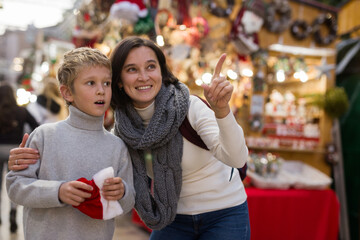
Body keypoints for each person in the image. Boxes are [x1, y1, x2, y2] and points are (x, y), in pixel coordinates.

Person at [8, 36, 250, 240]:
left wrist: (221, 112)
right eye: (132, 69)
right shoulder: (121, 135)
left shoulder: (188, 107)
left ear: (161, 71)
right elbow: (21, 183)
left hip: (224, 212)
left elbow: (237, 157)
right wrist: (29, 168)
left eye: (151, 67)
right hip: (172, 216)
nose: (143, 76)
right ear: (121, 83)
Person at [6, 47, 135, 240]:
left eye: (106, 83)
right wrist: (57, 192)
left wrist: (122, 192)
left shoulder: (117, 146)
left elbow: (128, 202)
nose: (101, 90)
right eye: (90, 83)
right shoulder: (44, 136)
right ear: (67, 93)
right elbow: (16, 187)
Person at [0, 84, 39, 233]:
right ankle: (13, 213)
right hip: (15, 152)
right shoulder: (22, 111)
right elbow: (36, 126)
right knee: (14, 183)